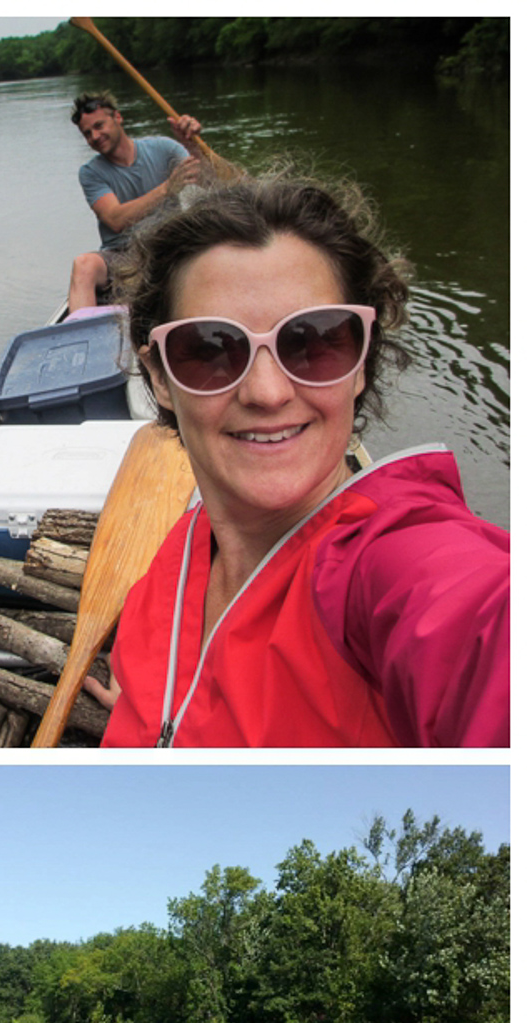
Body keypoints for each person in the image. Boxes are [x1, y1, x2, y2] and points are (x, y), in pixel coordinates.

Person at [92, 171, 509, 746]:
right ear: (161, 378)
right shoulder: (178, 559)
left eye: (313, 341)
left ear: (361, 362)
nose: (267, 392)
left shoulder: (393, 565)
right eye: (211, 348)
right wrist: (153, 709)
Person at [66, 92, 206, 314]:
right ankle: (81, 338)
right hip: (122, 254)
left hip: (169, 246)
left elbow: (208, 179)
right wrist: (167, 188)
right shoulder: (90, 173)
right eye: (87, 133)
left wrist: (193, 146)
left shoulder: (164, 148)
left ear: (118, 118)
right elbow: (115, 219)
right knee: (83, 265)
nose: (95, 136)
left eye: (99, 125)